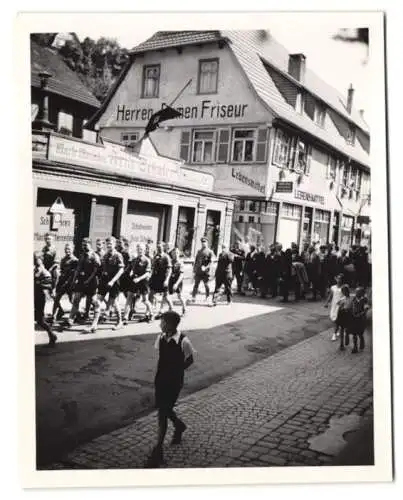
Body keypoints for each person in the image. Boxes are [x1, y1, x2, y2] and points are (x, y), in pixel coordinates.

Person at [146, 311, 195, 467]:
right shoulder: (160, 337)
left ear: (171, 324)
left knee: (162, 412)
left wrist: (178, 370)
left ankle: (158, 450)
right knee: (164, 409)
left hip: (174, 382)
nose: (160, 325)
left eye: (163, 322)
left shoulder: (183, 341)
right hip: (160, 380)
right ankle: (179, 425)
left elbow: (190, 359)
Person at [87, 236, 125, 333]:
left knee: (114, 303)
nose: (109, 245)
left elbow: (121, 270)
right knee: (97, 302)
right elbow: (102, 268)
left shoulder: (118, 255)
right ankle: (94, 325)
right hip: (104, 281)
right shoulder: (105, 255)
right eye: (107, 244)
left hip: (114, 282)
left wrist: (112, 281)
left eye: (110, 244)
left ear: (114, 244)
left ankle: (119, 322)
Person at [63, 238, 101, 329]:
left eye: (86, 245)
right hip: (81, 281)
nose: (84, 246)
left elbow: (96, 271)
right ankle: (70, 320)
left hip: (92, 281)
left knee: (94, 302)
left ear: (90, 245)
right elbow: (78, 269)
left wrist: (88, 280)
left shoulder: (94, 256)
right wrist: (74, 280)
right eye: (83, 245)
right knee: (76, 299)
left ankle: (95, 323)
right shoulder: (82, 255)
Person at [123, 243, 153, 324]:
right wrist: (130, 273)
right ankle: (125, 317)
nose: (139, 251)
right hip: (135, 280)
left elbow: (147, 273)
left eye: (141, 249)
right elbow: (131, 268)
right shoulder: (135, 259)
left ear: (144, 250)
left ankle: (151, 314)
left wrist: (139, 278)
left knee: (145, 300)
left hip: (143, 281)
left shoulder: (147, 260)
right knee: (129, 297)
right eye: (138, 249)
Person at [34, 252, 57, 346]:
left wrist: (39, 284)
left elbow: (49, 284)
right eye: (34, 259)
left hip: (40, 298)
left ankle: (52, 335)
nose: (35, 260)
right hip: (34, 296)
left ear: (41, 259)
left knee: (40, 320)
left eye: (37, 258)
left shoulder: (44, 271)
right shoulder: (35, 269)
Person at [51, 243, 78, 322]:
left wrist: (70, 283)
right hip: (62, 282)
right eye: (66, 249)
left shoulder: (75, 260)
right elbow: (61, 271)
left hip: (70, 283)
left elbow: (75, 274)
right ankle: (54, 316)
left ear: (72, 249)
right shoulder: (63, 259)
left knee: (72, 300)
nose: (67, 251)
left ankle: (77, 315)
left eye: (69, 249)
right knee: (56, 298)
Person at [149, 241, 173, 319]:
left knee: (166, 296)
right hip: (156, 278)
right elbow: (153, 267)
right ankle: (153, 312)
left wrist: (167, 280)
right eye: (158, 247)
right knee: (152, 294)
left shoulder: (166, 257)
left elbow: (169, 269)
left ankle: (171, 309)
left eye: (160, 247)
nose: (159, 248)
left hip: (163, 278)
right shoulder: (156, 256)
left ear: (163, 247)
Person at [191, 237, 214, 302]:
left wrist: (206, 267)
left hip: (205, 272)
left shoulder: (210, 252)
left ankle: (207, 296)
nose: (203, 243)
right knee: (196, 284)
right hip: (198, 271)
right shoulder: (199, 251)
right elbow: (196, 261)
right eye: (202, 242)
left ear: (207, 243)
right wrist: (194, 270)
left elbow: (211, 262)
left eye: (205, 242)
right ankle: (193, 297)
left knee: (206, 285)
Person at [349, 287, 370, 353]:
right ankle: (355, 347)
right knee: (354, 334)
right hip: (354, 318)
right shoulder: (354, 299)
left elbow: (366, 308)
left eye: (358, 292)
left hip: (361, 319)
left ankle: (362, 343)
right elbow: (351, 306)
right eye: (356, 292)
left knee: (360, 333)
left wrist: (361, 314)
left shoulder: (364, 299)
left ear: (362, 293)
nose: (356, 293)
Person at [324, 274, 344, 341]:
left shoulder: (344, 287)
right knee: (334, 319)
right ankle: (338, 331)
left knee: (337, 320)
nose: (339, 280)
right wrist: (327, 303)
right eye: (338, 278)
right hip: (334, 305)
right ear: (336, 279)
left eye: (340, 279)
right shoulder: (333, 287)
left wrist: (342, 301)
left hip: (341, 306)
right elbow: (330, 296)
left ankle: (334, 334)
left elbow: (347, 296)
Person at [168, 248, 186, 316]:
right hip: (171, 280)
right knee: (167, 295)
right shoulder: (170, 261)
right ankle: (170, 309)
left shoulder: (180, 262)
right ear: (172, 254)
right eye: (174, 253)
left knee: (180, 296)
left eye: (177, 253)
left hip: (178, 281)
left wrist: (176, 284)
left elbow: (181, 275)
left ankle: (184, 309)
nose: (175, 254)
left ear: (179, 253)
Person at [336, 284, 352, 351]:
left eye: (346, 290)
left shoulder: (353, 297)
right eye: (343, 291)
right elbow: (339, 307)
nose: (345, 292)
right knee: (341, 329)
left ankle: (347, 335)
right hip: (343, 314)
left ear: (348, 290)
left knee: (348, 328)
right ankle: (341, 343)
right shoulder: (342, 299)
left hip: (350, 314)